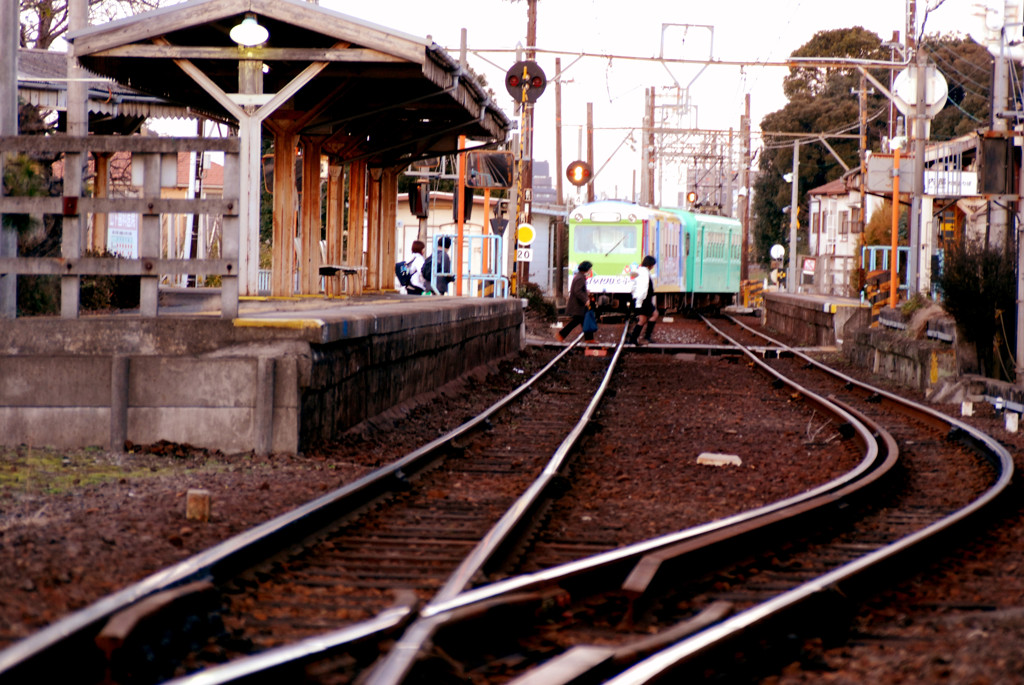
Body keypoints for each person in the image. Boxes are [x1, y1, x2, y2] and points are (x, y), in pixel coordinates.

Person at [556, 261, 596, 343]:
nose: (590, 270)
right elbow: (578, 291)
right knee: (576, 322)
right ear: (586, 269)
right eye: (590, 269)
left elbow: (578, 290)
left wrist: (586, 291)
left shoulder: (579, 277)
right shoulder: (580, 278)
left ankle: (589, 339)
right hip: (578, 305)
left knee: (582, 320)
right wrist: (586, 300)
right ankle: (561, 335)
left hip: (578, 305)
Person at [628, 255, 658, 345]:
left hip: (643, 300)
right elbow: (643, 289)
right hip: (643, 300)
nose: (653, 267)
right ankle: (641, 338)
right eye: (653, 265)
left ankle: (639, 338)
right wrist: (639, 303)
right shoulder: (644, 273)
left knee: (647, 317)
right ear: (650, 264)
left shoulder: (641, 271)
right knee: (646, 318)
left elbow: (633, 286)